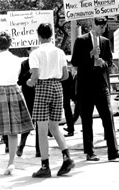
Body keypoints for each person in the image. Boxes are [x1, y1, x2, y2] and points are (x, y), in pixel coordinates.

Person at [71, 17, 119, 161]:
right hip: (86, 85)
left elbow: (109, 61)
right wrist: (89, 54)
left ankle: (113, 151)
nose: (102, 29)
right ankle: (90, 152)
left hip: (101, 84)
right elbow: (75, 62)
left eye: (104, 27)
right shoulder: (81, 40)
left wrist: (104, 63)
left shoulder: (105, 41)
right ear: (92, 25)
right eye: (100, 27)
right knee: (87, 119)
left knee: (108, 117)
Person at [27, 23, 75, 178]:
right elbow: (66, 75)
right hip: (57, 87)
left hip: (43, 87)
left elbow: (35, 75)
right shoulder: (59, 51)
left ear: (39, 35)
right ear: (52, 35)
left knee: (41, 129)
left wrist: (30, 82)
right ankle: (66, 156)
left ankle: (45, 165)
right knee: (54, 126)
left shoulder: (36, 53)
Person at [0, 32, 34, 175]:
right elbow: (17, 76)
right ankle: (11, 163)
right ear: (10, 44)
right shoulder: (17, 60)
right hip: (13, 91)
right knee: (13, 131)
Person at [16, 49, 41, 157]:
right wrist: (28, 73)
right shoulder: (24, 64)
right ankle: (21, 145)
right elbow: (19, 81)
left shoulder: (41, 61)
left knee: (40, 122)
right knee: (29, 122)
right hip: (28, 97)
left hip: (40, 95)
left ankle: (39, 150)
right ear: (28, 51)